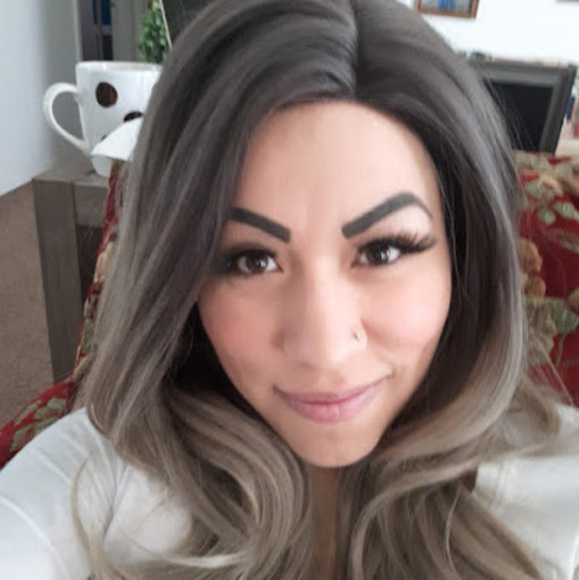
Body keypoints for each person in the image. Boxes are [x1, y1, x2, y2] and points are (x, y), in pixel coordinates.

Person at [1, 0, 578, 578]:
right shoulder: (99, 475)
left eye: (382, 251)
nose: (324, 349)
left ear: (464, 254)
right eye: (251, 260)